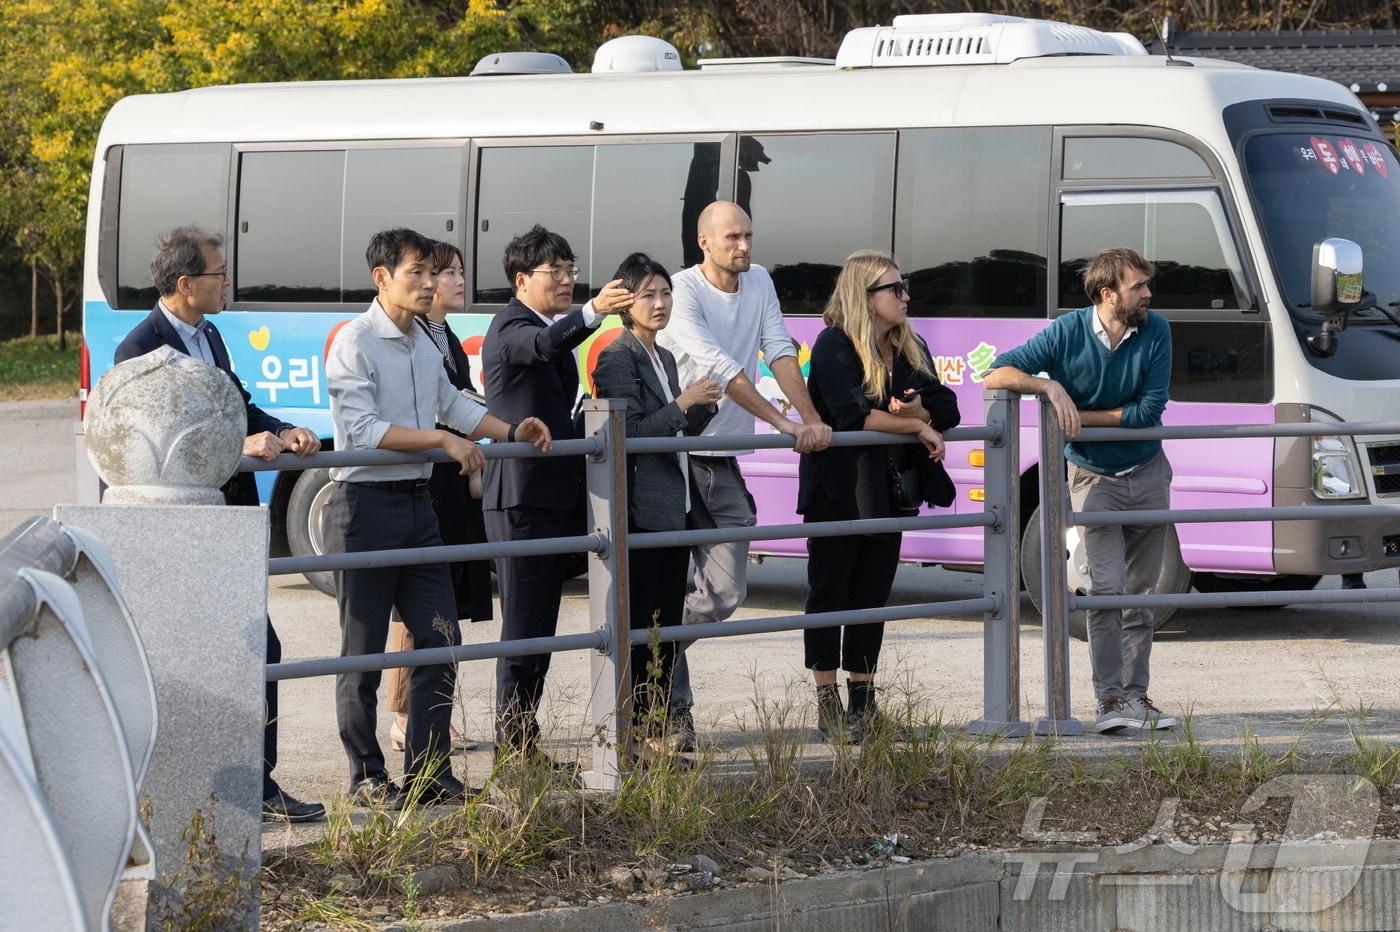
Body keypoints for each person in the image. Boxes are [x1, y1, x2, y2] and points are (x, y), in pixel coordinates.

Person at [325, 227, 550, 805]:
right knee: (364, 652)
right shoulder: (355, 342)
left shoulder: (425, 343)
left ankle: (429, 776)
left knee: (440, 640)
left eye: (434, 273)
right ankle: (367, 778)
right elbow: (362, 431)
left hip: (417, 505)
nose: (429, 285)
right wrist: (442, 443)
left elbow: (455, 404)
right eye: (417, 273)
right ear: (382, 279)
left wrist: (509, 430)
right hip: (365, 507)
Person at [114, 225, 326, 823]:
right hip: (178, 533)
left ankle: (253, 787)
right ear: (186, 284)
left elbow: (238, 406)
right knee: (208, 654)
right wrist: (243, 443)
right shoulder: (139, 350)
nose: (227, 282)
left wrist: (283, 430)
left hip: (224, 521)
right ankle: (214, 793)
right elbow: (162, 447)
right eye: (218, 273)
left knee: (254, 646)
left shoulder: (211, 336)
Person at [656, 200, 832, 751]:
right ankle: (670, 708)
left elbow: (778, 348)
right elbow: (718, 365)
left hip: (721, 456)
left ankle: (650, 646)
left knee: (725, 592)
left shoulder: (758, 282)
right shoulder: (680, 290)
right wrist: (779, 419)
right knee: (662, 585)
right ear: (703, 241)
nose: (745, 247)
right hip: (670, 453)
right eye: (733, 237)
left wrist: (809, 418)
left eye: (749, 235)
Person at [984, 247, 1178, 735]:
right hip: (1092, 478)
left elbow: (1147, 412)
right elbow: (996, 373)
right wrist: (1051, 391)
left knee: (1142, 592)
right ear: (1108, 294)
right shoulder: (1068, 331)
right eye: (1139, 286)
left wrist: (1076, 420)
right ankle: (1110, 699)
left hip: (1149, 470)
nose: (1149, 294)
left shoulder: (1156, 329)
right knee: (1106, 589)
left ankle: (1137, 697)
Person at [480, 225, 630, 763]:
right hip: (520, 498)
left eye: (572, 270)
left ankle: (524, 743)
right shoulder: (511, 326)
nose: (567, 280)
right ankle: (513, 749)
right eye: (556, 272)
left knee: (541, 624)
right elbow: (543, 346)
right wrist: (593, 312)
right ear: (522, 279)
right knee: (523, 627)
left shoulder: (546, 326)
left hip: (552, 495)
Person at [800, 250, 959, 742]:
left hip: (888, 489)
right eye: (895, 288)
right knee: (830, 593)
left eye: (904, 286)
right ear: (864, 297)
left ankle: (863, 706)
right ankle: (827, 706)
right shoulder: (833, 344)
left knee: (873, 593)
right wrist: (916, 425)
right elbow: (853, 416)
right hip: (838, 488)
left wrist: (919, 412)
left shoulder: (910, 346)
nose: (906, 296)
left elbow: (948, 406)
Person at [591, 253, 720, 762]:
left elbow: (674, 433)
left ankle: (656, 724)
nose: (660, 303)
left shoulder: (663, 356)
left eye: (666, 293)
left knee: (663, 623)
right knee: (643, 623)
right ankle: (637, 734)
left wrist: (703, 407)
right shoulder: (617, 356)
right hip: (642, 508)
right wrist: (685, 405)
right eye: (648, 294)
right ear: (625, 301)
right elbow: (631, 435)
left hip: (674, 504)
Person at [383, 240, 488, 755]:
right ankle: (405, 716)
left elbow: (459, 402)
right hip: (425, 472)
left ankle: (428, 719)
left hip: (447, 471)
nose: (451, 282)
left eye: (451, 272)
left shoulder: (443, 334)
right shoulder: (412, 334)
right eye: (445, 273)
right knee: (415, 608)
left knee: (440, 604)